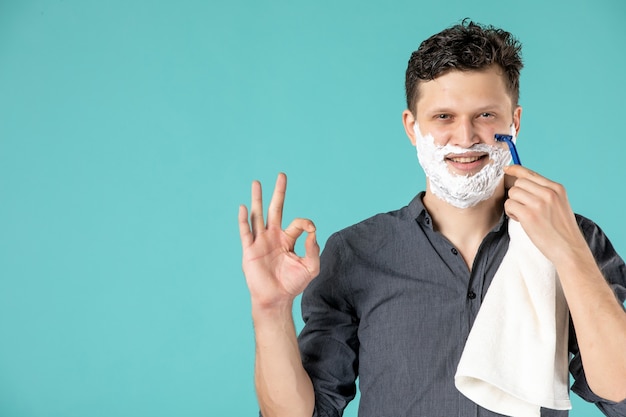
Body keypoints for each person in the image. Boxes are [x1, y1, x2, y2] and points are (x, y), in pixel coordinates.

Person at [238, 20, 626, 417]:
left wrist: (570, 253)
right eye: (443, 117)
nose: (465, 137)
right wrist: (269, 310)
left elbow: (621, 395)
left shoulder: (576, 238)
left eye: (486, 115)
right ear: (412, 127)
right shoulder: (355, 253)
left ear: (515, 122)